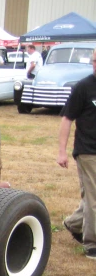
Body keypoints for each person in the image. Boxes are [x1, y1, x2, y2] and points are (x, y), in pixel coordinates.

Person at [57, 48, 96, 260]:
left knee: (92, 197)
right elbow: (66, 119)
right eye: (94, 61)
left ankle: (73, 224)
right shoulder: (83, 87)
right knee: (93, 197)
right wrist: (62, 152)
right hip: (88, 151)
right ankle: (92, 244)